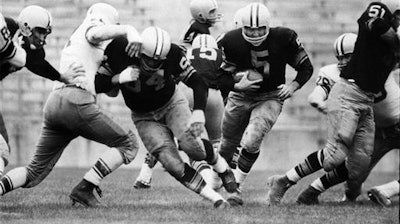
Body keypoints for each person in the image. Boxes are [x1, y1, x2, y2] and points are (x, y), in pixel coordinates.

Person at [0, 3, 142, 208]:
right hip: (76, 102)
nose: (42, 38)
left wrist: (118, 77)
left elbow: (102, 86)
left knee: (33, 173)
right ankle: (86, 187)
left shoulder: (78, 41)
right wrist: (130, 31)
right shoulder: (92, 30)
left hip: (54, 104)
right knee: (128, 144)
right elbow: (95, 33)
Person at [95, 26, 240, 208]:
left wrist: (198, 112)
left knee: (193, 148)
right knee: (171, 163)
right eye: (148, 59)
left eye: (158, 62)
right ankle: (216, 199)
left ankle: (222, 168)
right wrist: (117, 78)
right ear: (139, 50)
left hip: (172, 104)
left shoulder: (172, 53)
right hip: (143, 116)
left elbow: (198, 82)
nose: (153, 65)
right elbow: (97, 84)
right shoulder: (119, 49)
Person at [266, 32, 400, 205]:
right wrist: (322, 104)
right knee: (343, 166)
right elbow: (315, 95)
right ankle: (289, 182)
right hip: (374, 129)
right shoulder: (332, 73)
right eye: (340, 58)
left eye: (348, 57)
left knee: (354, 168)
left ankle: (311, 191)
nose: (343, 62)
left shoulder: (379, 64)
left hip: (384, 122)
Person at [216, 2, 314, 206]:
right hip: (240, 97)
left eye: (259, 28)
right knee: (227, 145)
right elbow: (220, 77)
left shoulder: (285, 37)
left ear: (268, 26)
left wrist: (294, 85)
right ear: (242, 26)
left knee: (252, 138)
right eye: (249, 28)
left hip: (270, 95)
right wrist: (237, 86)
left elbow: (306, 67)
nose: (254, 32)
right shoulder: (230, 40)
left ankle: (237, 188)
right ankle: (217, 178)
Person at [134, 0, 223, 189]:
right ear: (201, 15)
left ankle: (145, 175)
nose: (216, 14)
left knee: (168, 134)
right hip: (195, 85)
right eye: (212, 11)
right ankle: (215, 177)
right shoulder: (201, 33)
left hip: (183, 84)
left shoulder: (193, 30)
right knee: (200, 141)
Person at [0, 6, 84, 177]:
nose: (42, 37)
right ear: (26, 27)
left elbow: (39, 65)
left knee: (3, 150)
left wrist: (61, 77)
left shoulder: (31, 50)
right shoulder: (7, 28)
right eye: (40, 31)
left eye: (46, 32)